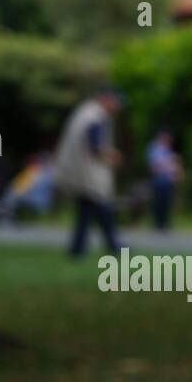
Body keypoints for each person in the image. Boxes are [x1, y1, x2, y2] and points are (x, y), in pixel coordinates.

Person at [52, 88, 124, 257]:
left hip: (78, 171)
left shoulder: (84, 112)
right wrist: (112, 155)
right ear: (106, 99)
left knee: (87, 212)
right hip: (88, 174)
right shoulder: (95, 117)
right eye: (116, 102)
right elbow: (95, 146)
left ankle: (78, 249)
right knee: (102, 208)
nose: (117, 107)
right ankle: (113, 246)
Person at [146, 131, 183, 231]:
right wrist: (167, 167)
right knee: (159, 202)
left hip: (168, 180)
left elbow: (174, 164)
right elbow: (154, 166)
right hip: (159, 180)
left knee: (167, 202)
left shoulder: (167, 149)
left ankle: (165, 223)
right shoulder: (154, 148)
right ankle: (158, 223)